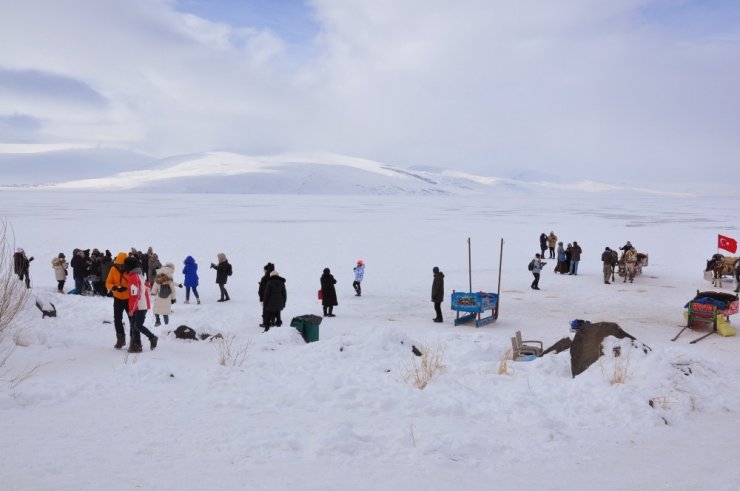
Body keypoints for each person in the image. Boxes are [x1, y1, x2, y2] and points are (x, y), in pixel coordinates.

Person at [125, 256, 158, 353]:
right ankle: (136, 345)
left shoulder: (133, 278)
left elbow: (134, 295)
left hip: (140, 306)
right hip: (143, 304)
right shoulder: (140, 275)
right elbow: (148, 287)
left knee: (137, 326)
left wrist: (131, 309)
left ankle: (152, 337)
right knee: (134, 325)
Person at [105, 252, 131, 349]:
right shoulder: (113, 269)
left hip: (129, 299)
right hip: (117, 299)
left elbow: (135, 285)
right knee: (117, 319)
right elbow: (108, 283)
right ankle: (120, 339)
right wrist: (114, 287)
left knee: (132, 320)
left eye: (122, 265)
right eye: (118, 264)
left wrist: (126, 288)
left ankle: (133, 340)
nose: (120, 267)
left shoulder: (130, 271)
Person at [258, 262, 276, 328]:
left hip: (266, 297)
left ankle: (266, 323)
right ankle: (273, 322)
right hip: (274, 297)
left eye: (264, 270)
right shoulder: (276, 277)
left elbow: (261, 290)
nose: (264, 271)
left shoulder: (264, 278)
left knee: (265, 310)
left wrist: (261, 298)